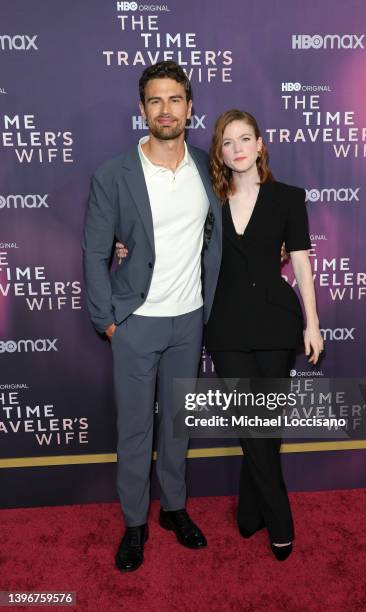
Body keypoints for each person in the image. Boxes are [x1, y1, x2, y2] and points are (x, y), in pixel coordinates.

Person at [116, 109, 323, 561]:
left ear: (261, 144)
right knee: (253, 421)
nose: (238, 149)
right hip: (225, 325)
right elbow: (166, 231)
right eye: (227, 142)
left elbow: (302, 263)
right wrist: (126, 245)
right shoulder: (209, 197)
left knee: (265, 423)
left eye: (245, 139)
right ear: (220, 152)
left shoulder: (289, 197)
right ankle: (280, 518)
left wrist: (313, 324)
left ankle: (251, 510)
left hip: (276, 323)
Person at [82, 61, 222, 573]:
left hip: (189, 321)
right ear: (142, 109)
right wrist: (108, 321)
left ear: (190, 107)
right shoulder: (113, 173)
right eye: (155, 100)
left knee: (178, 428)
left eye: (175, 99)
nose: (166, 110)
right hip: (136, 321)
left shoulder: (208, 168)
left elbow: (226, 229)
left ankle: (176, 510)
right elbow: (96, 252)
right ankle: (135, 523)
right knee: (136, 430)